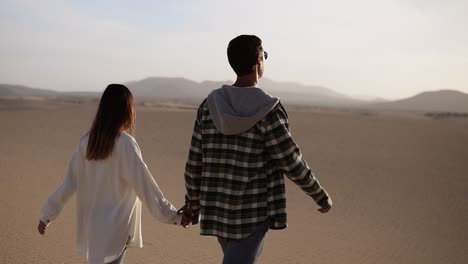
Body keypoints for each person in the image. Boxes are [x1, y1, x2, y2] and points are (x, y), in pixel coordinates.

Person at [183, 35, 333, 264]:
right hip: (252, 214)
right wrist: (319, 195)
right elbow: (291, 161)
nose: (265, 59)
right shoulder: (268, 110)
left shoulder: (209, 106)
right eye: (264, 55)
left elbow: (195, 163)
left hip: (218, 211)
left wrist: (193, 204)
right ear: (257, 61)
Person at [37, 84, 189, 264]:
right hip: (116, 232)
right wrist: (175, 217)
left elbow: (68, 184)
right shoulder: (125, 144)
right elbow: (147, 189)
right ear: (126, 111)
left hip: (92, 231)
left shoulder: (86, 142)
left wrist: (47, 215)